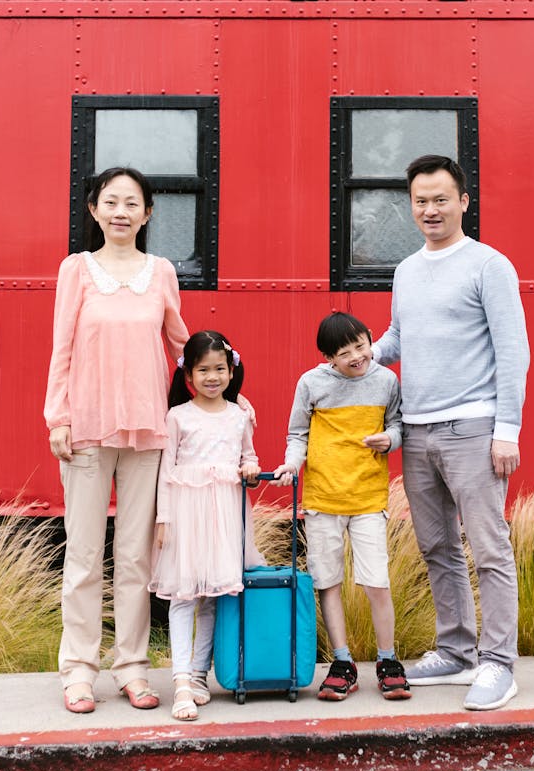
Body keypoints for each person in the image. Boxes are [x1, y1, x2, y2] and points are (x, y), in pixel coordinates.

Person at [372, 154, 530, 711]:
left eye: (441, 199)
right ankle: (457, 651)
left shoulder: (489, 265)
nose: (430, 209)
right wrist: (359, 356)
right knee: (437, 547)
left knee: (489, 549)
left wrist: (506, 429)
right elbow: (398, 336)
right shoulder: (407, 269)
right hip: (415, 430)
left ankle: (498, 664)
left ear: (464, 201)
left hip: (473, 426)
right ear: (411, 205)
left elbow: (514, 351)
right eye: (421, 200)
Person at [44, 166, 189, 715]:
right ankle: (79, 670)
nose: (121, 211)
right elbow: (62, 347)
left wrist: (228, 389)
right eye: (111, 201)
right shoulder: (76, 270)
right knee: (82, 554)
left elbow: (184, 343)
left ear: (148, 213)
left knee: (134, 557)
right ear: (94, 210)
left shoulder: (162, 272)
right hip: (86, 426)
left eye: (132, 203)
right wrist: (58, 417)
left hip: (148, 427)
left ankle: (131, 666)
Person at [274, 312, 410, 703]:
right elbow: (297, 433)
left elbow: (398, 425)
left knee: (376, 581)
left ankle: (388, 660)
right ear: (328, 357)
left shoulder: (386, 380)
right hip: (322, 499)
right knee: (327, 582)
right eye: (344, 352)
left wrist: (390, 439)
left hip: (368, 499)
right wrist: (290, 463)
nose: (356, 356)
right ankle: (343, 662)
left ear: (371, 340)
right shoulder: (312, 383)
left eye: (361, 346)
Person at [149, 330, 260, 721]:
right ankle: (180, 681)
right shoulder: (178, 417)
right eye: (203, 370)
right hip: (184, 515)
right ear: (188, 376)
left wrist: (250, 468)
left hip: (225, 516)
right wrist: (162, 518)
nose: (212, 377)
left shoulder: (239, 416)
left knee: (213, 597)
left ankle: (199, 673)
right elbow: (166, 471)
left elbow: (249, 456)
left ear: (231, 371)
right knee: (183, 597)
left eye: (220, 369)